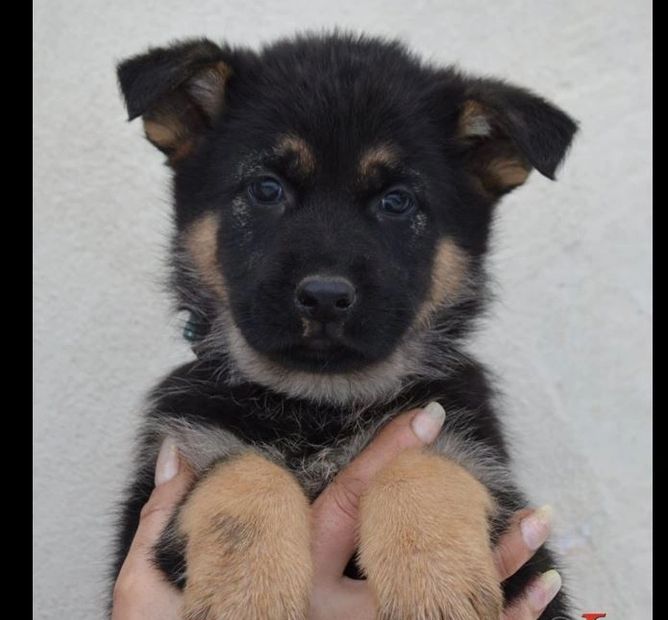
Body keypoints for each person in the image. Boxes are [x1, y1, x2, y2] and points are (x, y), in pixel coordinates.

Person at [112, 407, 561, 619]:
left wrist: (428, 500)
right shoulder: (195, 412)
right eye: (269, 209)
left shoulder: (456, 415)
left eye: (396, 210)